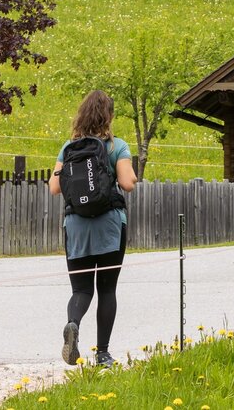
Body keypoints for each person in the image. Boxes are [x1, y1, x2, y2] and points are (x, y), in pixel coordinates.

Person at [48, 89, 138, 368]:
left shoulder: (69, 147)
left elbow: (54, 187)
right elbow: (128, 183)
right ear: (109, 116)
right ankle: (103, 354)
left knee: (81, 290)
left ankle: (73, 323)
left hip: (76, 226)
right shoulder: (116, 146)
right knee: (107, 290)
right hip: (109, 226)